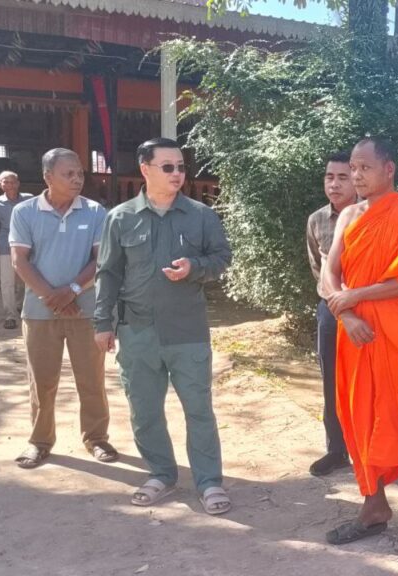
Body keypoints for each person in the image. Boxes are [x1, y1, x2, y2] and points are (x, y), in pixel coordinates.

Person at [322, 137, 398, 574]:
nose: (356, 176)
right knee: (359, 419)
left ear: (389, 169)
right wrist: (346, 314)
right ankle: (373, 506)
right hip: (355, 337)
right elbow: (329, 274)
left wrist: (355, 296)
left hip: (395, 335)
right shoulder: (348, 216)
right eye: (352, 168)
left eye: (364, 168)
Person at [93, 137, 232, 515]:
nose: (177, 174)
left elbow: (221, 258)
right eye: (168, 167)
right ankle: (161, 474)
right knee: (144, 410)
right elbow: (108, 273)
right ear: (145, 169)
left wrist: (195, 267)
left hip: (187, 331)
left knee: (198, 409)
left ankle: (209, 482)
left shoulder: (201, 216)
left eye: (181, 167)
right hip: (137, 331)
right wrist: (103, 323)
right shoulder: (120, 218)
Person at [8, 149, 117, 469]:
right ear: (48, 177)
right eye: (69, 174)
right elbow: (19, 261)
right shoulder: (25, 212)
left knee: (91, 379)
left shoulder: (95, 212)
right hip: (39, 312)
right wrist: (51, 297)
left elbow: (100, 259)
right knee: (41, 382)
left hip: (85, 310)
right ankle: (39, 442)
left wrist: (71, 292)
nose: (77, 179)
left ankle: (97, 438)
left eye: (80, 173)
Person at [305, 151, 359, 477]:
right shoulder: (316, 220)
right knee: (331, 382)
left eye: (342, 177)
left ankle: (373, 450)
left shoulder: (370, 215)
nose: (334, 184)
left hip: (368, 308)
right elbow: (318, 265)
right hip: (330, 309)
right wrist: (335, 297)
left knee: (368, 382)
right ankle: (336, 451)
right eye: (329, 177)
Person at [0, 170, 33, 329]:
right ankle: (10, 315)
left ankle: (20, 305)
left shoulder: (29, 199)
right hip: (5, 243)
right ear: (0, 184)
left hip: (26, 243)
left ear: (18, 183)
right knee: (7, 280)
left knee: (25, 279)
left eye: (12, 181)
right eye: (5, 182)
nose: (9, 185)